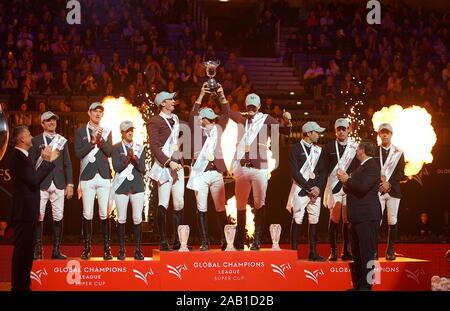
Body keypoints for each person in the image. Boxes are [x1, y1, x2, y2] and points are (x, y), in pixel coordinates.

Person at [229, 93, 292, 250]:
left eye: (253, 106)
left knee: (259, 203)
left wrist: (287, 121)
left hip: (260, 168)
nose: (251, 109)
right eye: (249, 106)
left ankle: (257, 240)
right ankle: (239, 239)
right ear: (246, 106)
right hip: (243, 167)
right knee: (240, 204)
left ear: (258, 107)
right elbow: (225, 110)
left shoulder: (266, 119)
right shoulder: (241, 118)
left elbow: (285, 132)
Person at [10, 125, 60, 291]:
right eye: (29, 134)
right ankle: (19, 286)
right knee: (22, 251)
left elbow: (32, 177)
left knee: (26, 251)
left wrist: (42, 160)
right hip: (23, 212)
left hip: (27, 211)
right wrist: (47, 161)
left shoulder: (23, 156)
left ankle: (23, 284)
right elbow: (33, 181)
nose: (32, 137)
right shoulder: (18, 157)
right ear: (22, 139)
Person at [187, 83, 230, 251]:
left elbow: (226, 114)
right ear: (202, 119)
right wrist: (200, 95)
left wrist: (221, 94)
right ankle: (205, 242)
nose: (213, 121)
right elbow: (191, 115)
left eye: (213, 119)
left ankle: (226, 240)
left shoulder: (218, 129)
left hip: (217, 172)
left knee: (221, 207)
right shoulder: (196, 130)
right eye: (209, 119)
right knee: (201, 208)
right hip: (201, 173)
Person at [148, 92, 190, 251]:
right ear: (162, 103)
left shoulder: (177, 119)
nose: (174, 101)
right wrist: (169, 162)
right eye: (170, 99)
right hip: (164, 167)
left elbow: (192, 124)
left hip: (177, 165)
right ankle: (163, 241)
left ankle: (179, 242)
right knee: (163, 203)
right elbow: (153, 146)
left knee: (179, 203)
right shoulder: (154, 121)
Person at [337, 141, 382, 291]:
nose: (356, 152)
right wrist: (346, 180)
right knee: (357, 253)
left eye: (357, 150)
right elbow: (353, 186)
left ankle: (367, 286)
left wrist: (347, 180)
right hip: (356, 217)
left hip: (367, 216)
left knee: (367, 253)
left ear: (362, 150)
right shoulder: (361, 167)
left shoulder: (373, 167)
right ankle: (359, 285)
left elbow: (362, 188)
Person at [29, 112, 73, 260]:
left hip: (59, 183)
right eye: (48, 120)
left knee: (58, 217)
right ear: (42, 123)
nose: (51, 122)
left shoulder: (62, 141)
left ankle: (56, 250)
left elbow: (67, 163)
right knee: (38, 217)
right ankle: (38, 250)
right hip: (41, 184)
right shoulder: (35, 141)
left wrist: (70, 184)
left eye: (53, 120)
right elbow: (31, 164)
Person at [74, 103, 113, 260]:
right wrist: (92, 141)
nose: (98, 114)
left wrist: (101, 140)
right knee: (87, 213)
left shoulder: (107, 131)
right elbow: (78, 153)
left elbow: (110, 152)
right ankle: (87, 248)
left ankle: (107, 248)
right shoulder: (80, 131)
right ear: (89, 112)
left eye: (100, 112)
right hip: (87, 176)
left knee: (105, 213)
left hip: (103, 175)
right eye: (95, 111)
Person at [319, 118, 358, 261]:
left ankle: (346, 250)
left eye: (344, 129)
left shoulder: (355, 147)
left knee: (348, 220)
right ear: (335, 131)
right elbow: (323, 169)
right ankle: (333, 251)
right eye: (339, 129)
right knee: (334, 219)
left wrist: (351, 176)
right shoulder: (329, 147)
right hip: (334, 187)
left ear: (349, 130)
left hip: (349, 187)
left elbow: (360, 167)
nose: (341, 131)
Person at [287, 121, 326, 261]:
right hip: (300, 189)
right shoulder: (295, 149)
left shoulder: (319, 150)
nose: (319, 135)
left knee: (314, 220)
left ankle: (313, 253)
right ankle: (293, 254)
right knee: (297, 219)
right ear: (309, 133)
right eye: (316, 132)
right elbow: (295, 173)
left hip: (315, 191)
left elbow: (322, 172)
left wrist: (318, 188)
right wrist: (309, 188)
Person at [111, 121, 146, 260]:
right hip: (122, 186)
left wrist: (135, 159)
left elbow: (142, 168)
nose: (130, 132)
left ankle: (138, 250)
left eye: (132, 130)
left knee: (137, 218)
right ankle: (121, 250)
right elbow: (117, 168)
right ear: (122, 133)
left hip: (137, 186)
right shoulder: (116, 148)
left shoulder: (140, 148)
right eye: (127, 130)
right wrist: (128, 158)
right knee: (121, 218)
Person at [375, 123, 405, 260]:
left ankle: (390, 251)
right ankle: (374, 251)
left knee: (392, 221)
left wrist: (389, 183)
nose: (385, 134)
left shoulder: (398, 152)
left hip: (393, 191)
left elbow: (400, 173)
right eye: (382, 132)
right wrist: (381, 183)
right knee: (376, 221)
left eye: (387, 132)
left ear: (391, 134)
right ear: (379, 135)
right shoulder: (375, 151)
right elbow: (372, 171)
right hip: (378, 190)